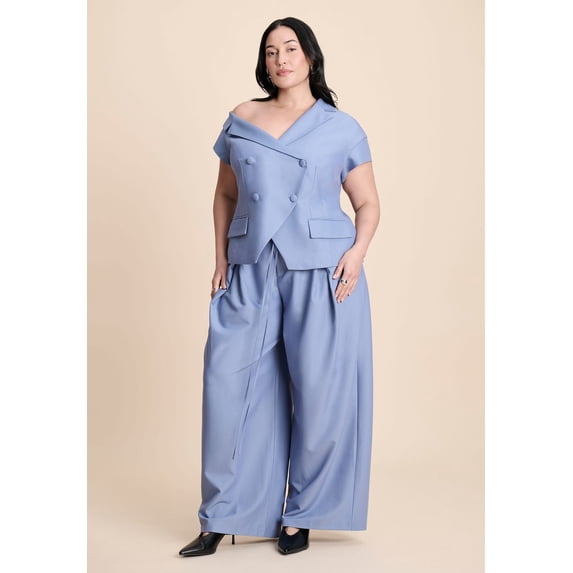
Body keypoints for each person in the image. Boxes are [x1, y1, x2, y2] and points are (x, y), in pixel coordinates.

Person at [178, 16, 380, 557]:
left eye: (290, 48)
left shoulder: (341, 127)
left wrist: (357, 254)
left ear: (309, 56)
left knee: (320, 392)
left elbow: (367, 203)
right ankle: (223, 514)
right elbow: (225, 194)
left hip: (323, 269)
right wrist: (220, 256)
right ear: (263, 63)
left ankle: (303, 515)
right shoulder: (242, 118)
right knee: (228, 386)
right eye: (271, 51)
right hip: (250, 265)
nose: (281, 59)